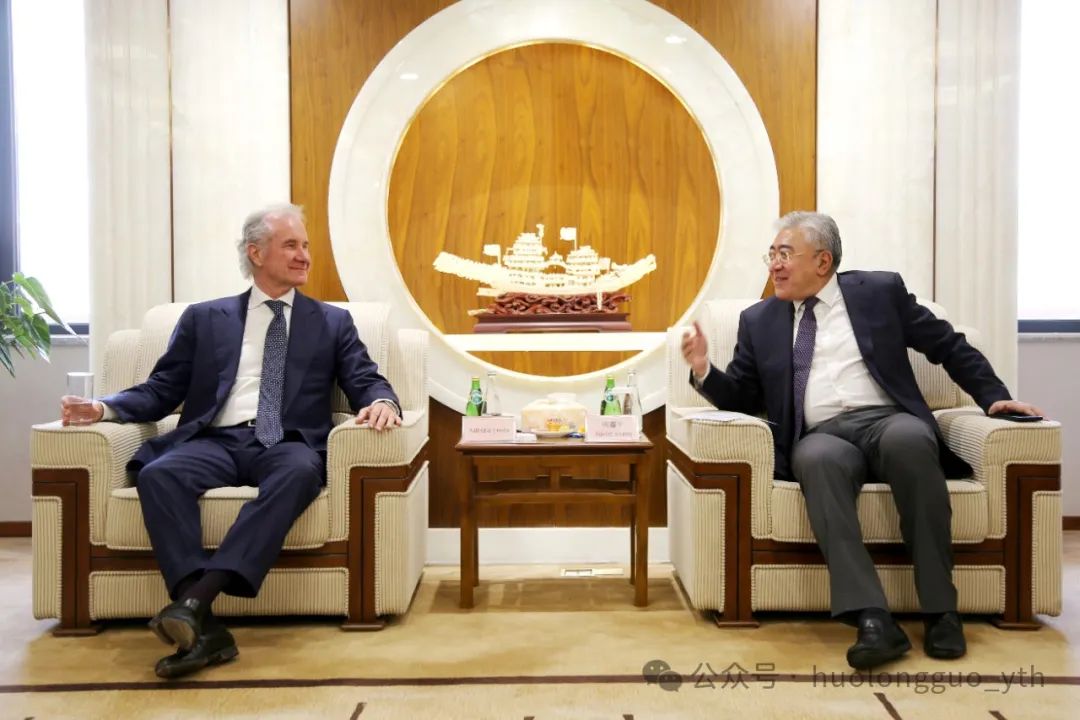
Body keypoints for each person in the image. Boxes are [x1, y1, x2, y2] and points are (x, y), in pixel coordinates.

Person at [681, 211, 1042, 670]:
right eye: (771, 254)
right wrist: (703, 370)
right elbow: (742, 396)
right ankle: (873, 619)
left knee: (911, 442)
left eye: (785, 254)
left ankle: (941, 611)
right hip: (822, 434)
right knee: (817, 460)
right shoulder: (759, 320)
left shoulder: (879, 292)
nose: (774, 264)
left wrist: (993, 397)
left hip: (888, 421)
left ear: (823, 261)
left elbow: (947, 345)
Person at [59, 204, 402, 678]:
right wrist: (104, 408)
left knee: (299, 473)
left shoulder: (331, 322)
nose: (304, 255)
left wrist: (383, 401)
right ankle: (205, 628)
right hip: (214, 439)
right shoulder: (204, 319)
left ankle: (196, 601)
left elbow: (364, 377)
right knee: (159, 475)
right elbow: (163, 389)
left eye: (305, 246)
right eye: (291, 245)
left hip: (287, 442)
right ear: (255, 253)